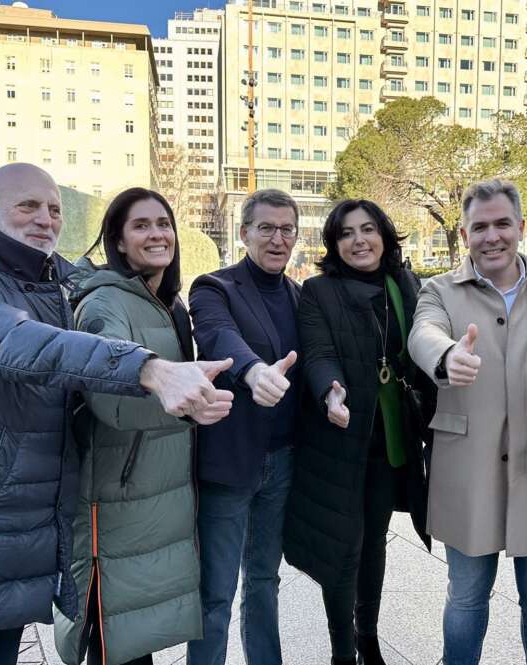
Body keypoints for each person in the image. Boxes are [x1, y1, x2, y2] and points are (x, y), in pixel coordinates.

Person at [0, 163, 234, 665]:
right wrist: (150, 369)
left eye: (54, 209)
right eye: (27, 206)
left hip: (19, 534)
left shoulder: (51, 288)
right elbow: (13, 342)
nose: (45, 219)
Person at [408, 178, 527, 665]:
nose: (491, 236)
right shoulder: (439, 290)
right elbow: (422, 333)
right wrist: (447, 355)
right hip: (467, 470)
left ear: (521, 226)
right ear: (464, 232)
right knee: (466, 599)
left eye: (501, 224)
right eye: (479, 227)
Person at [53, 188, 228, 665]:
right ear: (119, 240)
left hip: (156, 493)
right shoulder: (105, 303)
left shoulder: (169, 305)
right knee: (112, 638)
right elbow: (109, 396)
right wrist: (189, 406)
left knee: (133, 635)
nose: (157, 234)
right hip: (115, 499)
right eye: (141, 225)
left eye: (164, 223)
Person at [283, 199, 435, 665]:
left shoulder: (405, 284)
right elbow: (318, 351)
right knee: (343, 549)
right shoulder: (318, 291)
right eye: (346, 233)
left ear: (385, 235)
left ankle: (366, 634)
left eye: (368, 229)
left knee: (373, 545)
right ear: (334, 243)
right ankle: (340, 649)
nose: (359, 240)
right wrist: (331, 390)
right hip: (341, 439)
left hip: (391, 444)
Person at [187, 189, 303, 665]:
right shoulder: (215, 286)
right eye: (266, 228)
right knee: (215, 591)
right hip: (231, 463)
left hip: (283, 462)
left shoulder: (300, 295)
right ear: (244, 233)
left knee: (263, 581)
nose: (278, 239)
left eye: (287, 229)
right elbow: (218, 333)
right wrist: (254, 371)